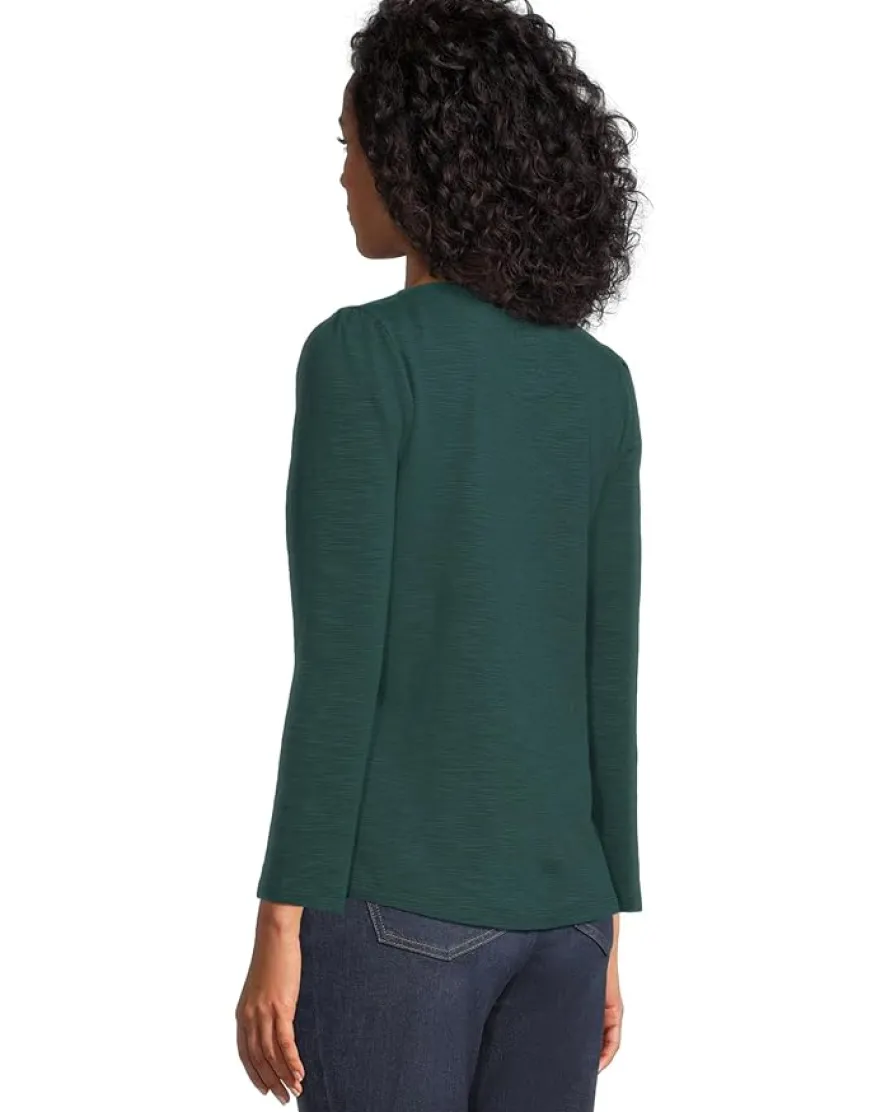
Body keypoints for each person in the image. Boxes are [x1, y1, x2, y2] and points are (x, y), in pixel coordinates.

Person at [235, 1, 644, 1108]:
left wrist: (279, 922)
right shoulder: (598, 384)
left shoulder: (362, 357)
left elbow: (339, 669)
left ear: (421, 159)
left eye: (353, 144)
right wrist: (605, 923)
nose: (344, 174)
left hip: (396, 908)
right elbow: (604, 675)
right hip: (564, 922)